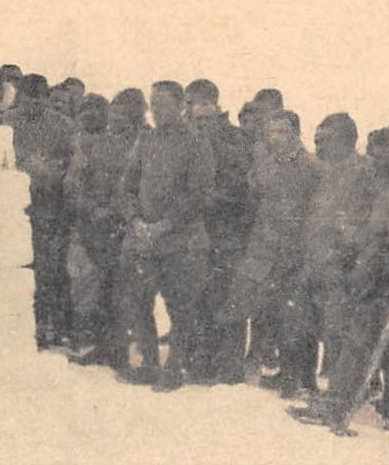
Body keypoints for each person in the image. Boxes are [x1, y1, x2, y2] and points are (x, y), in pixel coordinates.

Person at [293, 116, 389, 432]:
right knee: (370, 342)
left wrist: (368, 247)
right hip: (384, 272)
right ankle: (358, 405)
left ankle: (352, 407)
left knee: (378, 343)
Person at [114, 80, 215, 391]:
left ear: (181, 105)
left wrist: (165, 225)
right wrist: (135, 219)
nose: (156, 110)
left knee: (181, 307)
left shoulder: (197, 143)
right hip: (143, 239)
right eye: (153, 104)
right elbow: (127, 186)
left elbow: (198, 195)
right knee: (138, 302)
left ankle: (174, 368)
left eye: (163, 104)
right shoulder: (146, 141)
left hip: (181, 242)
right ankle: (149, 364)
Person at [217, 109, 320, 391]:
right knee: (239, 304)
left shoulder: (311, 167)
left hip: (291, 252)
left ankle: (291, 377)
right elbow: (253, 194)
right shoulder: (264, 162)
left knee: (288, 316)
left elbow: (315, 213)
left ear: (296, 133)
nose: (276, 138)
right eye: (272, 132)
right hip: (260, 247)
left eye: (282, 132)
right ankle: (232, 369)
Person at [289, 112, 377, 392]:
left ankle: (343, 394)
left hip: (343, 267)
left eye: (324, 141)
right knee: (302, 324)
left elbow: (371, 222)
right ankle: (306, 385)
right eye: (316, 141)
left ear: (345, 141)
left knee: (338, 332)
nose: (319, 148)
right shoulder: (321, 171)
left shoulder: (366, 172)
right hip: (314, 262)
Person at [64, 91, 140, 367]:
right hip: (96, 225)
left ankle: (120, 349)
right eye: (114, 117)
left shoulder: (143, 145)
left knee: (125, 289)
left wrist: (115, 209)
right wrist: (91, 207)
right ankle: (103, 345)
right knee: (102, 287)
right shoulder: (92, 145)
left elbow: (142, 187)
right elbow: (73, 182)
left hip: (126, 224)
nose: (117, 122)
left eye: (124, 117)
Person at [184, 79, 254, 382]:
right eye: (189, 105)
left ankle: (229, 367)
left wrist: (212, 197)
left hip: (229, 232)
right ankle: (200, 360)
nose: (193, 111)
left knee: (228, 300)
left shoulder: (235, 139)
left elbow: (242, 186)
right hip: (196, 233)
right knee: (198, 296)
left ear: (214, 104)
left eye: (198, 104)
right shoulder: (185, 135)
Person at [10, 73, 78, 349]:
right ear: (19, 98)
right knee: (19, 266)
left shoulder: (62, 125)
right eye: (27, 100)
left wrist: (52, 169)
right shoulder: (5, 123)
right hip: (13, 207)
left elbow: (74, 161)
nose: (32, 106)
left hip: (50, 206)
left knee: (50, 269)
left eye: (38, 100)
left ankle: (50, 325)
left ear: (46, 98)